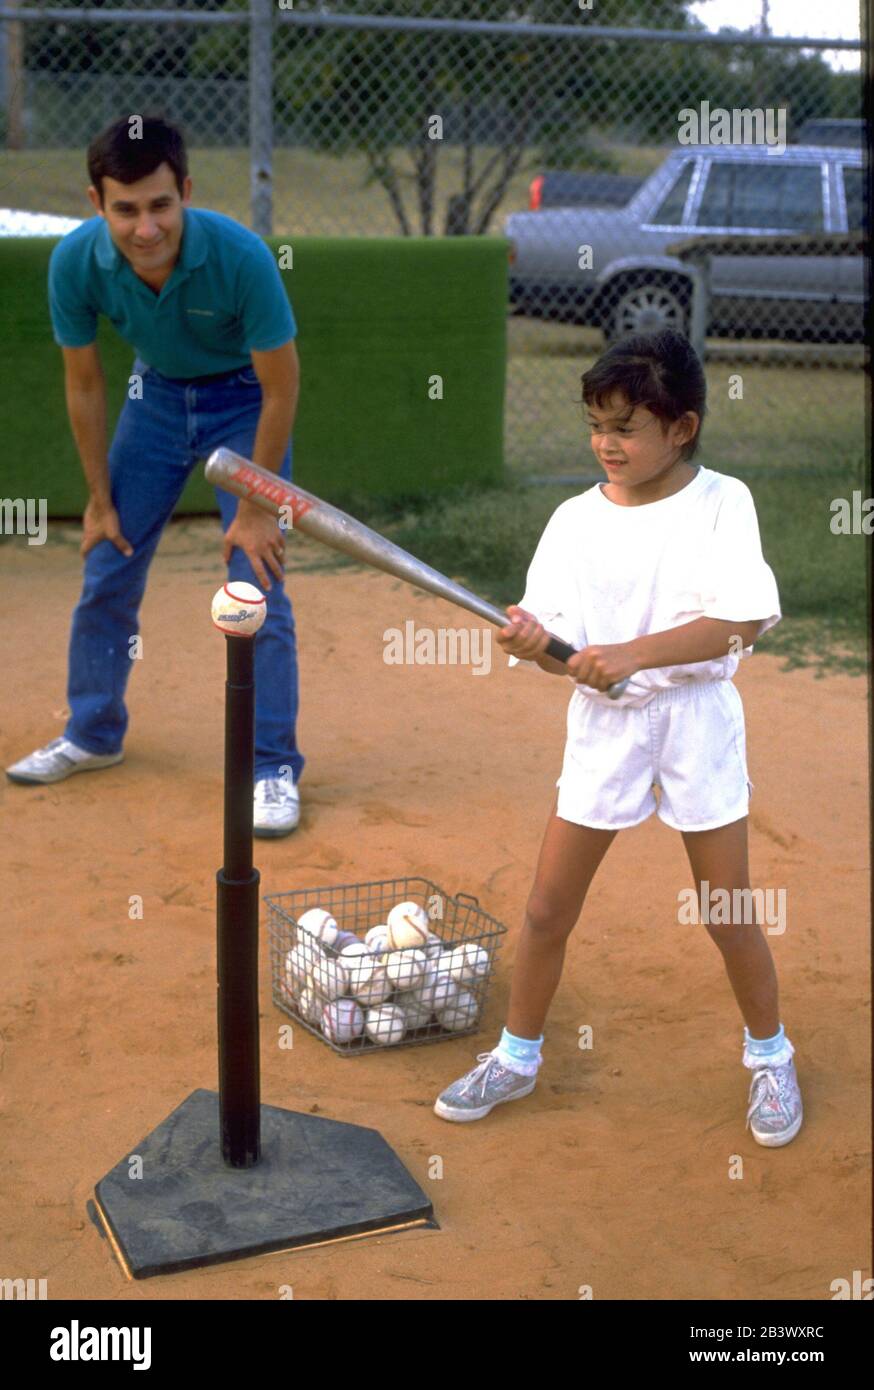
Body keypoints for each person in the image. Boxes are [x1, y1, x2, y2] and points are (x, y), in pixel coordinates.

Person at [434, 328, 802, 1147]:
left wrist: (630, 654)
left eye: (627, 426)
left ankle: (770, 1055)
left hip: (695, 720)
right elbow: (561, 649)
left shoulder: (721, 502)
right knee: (545, 907)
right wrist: (543, 651)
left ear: (684, 428)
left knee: (726, 906)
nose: (607, 442)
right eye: (598, 423)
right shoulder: (574, 520)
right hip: (605, 727)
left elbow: (740, 624)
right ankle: (517, 1054)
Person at [5, 115, 304, 836]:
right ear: (97, 203)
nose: (145, 228)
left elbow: (282, 384)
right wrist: (99, 499)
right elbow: (83, 382)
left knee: (252, 582)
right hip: (157, 399)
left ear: (186, 192)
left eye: (160, 205)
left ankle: (270, 769)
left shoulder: (241, 256)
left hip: (242, 401)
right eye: (126, 209)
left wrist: (259, 508)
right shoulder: (75, 263)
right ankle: (93, 733)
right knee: (109, 563)